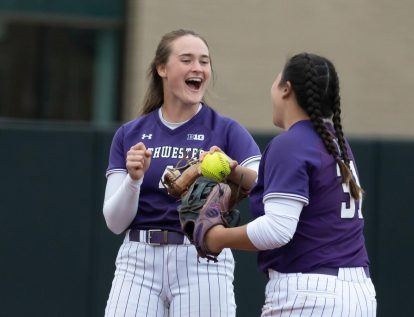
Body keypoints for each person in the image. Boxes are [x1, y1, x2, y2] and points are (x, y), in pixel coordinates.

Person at [102, 29, 261, 317]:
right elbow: (114, 223)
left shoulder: (225, 130)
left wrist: (230, 169)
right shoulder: (131, 134)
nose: (198, 68)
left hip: (201, 258)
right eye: (186, 59)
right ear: (161, 68)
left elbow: (261, 181)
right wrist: (133, 180)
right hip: (139, 259)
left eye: (204, 61)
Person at [204, 53, 377, 316]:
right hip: (357, 293)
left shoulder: (291, 143)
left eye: (276, 82)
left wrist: (217, 238)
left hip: (309, 293)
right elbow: (300, 196)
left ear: (287, 89)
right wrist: (235, 173)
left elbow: (278, 229)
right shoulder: (334, 142)